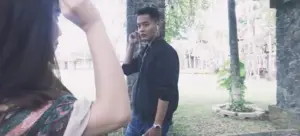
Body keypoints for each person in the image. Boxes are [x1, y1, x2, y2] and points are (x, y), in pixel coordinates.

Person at [0, 0, 131, 135]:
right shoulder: (38, 119)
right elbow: (115, 113)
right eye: (55, 17)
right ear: (27, 27)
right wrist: (92, 24)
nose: (59, 32)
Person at [122, 6, 180, 136]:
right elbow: (127, 69)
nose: (141, 29)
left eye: (146, 24)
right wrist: (131, 45)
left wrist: (157, 125)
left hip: (152, 122)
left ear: (157, 24)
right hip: (137, 118)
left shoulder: (166, 53)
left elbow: (166, 92)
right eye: (139, 26)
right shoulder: (147, 50)